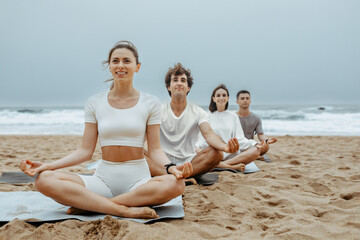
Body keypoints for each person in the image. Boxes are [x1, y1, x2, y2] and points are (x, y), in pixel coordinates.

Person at [19, 41, 193, 219]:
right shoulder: (95, 102)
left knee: (177, 184)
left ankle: (94, 205)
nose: (120, 65)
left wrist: (171, 168)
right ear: (109, 66)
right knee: (44, 179)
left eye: (127, 61)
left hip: (139, 181)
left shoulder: (150, 103)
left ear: (137, 67)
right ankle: (122, 209)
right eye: (115, 61)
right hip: (102, 180)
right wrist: (49, 166)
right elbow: (85, 151)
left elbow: (155, 150)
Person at [145, 63, 239, 179]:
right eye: (175, 80)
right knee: (136, 152)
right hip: (162, 163)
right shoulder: (157, 111)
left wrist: (225, 147)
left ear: (188, 87)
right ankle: (172, 176)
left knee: (217, 153)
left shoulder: (199, 112)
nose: (179, 83)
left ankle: (179, 176)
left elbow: (209, 134)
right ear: (169, 87)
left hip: (189, 163)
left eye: (183, 80)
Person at [196, 84, 267, 171]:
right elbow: (203, 139)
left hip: (231, 156)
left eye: (224, 95)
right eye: (218, 95)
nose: (221, 98)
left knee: (256, 151)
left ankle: (223, 165)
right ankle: (227, 166)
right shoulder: (206, 116)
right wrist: (197, 147)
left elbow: (239, 138)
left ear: (228, 98)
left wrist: (255, 144)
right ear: (213, 98)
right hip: (214, 154)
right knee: (195, 150)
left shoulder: (233, 116)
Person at [236, 90, 277, 157]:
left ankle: (251, 155)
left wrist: (266, 140)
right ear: (237, 101)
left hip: (250, 147)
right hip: (236, 147)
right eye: (242, 98)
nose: (245, 100)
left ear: (250, 101)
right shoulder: (233, 117)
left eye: (247, 98)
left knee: (266, 147)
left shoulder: (256, 118)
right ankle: (252, 156)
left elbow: (260, 135)